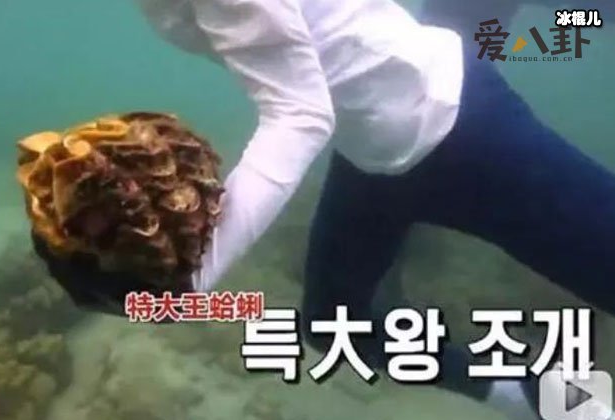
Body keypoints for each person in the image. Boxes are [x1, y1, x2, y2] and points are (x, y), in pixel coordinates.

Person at [33, 0, 615, 417]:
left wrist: (192, 276)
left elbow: (299, 114)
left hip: (461, 127)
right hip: (371, 156)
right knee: (336, 322)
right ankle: (545, 399)